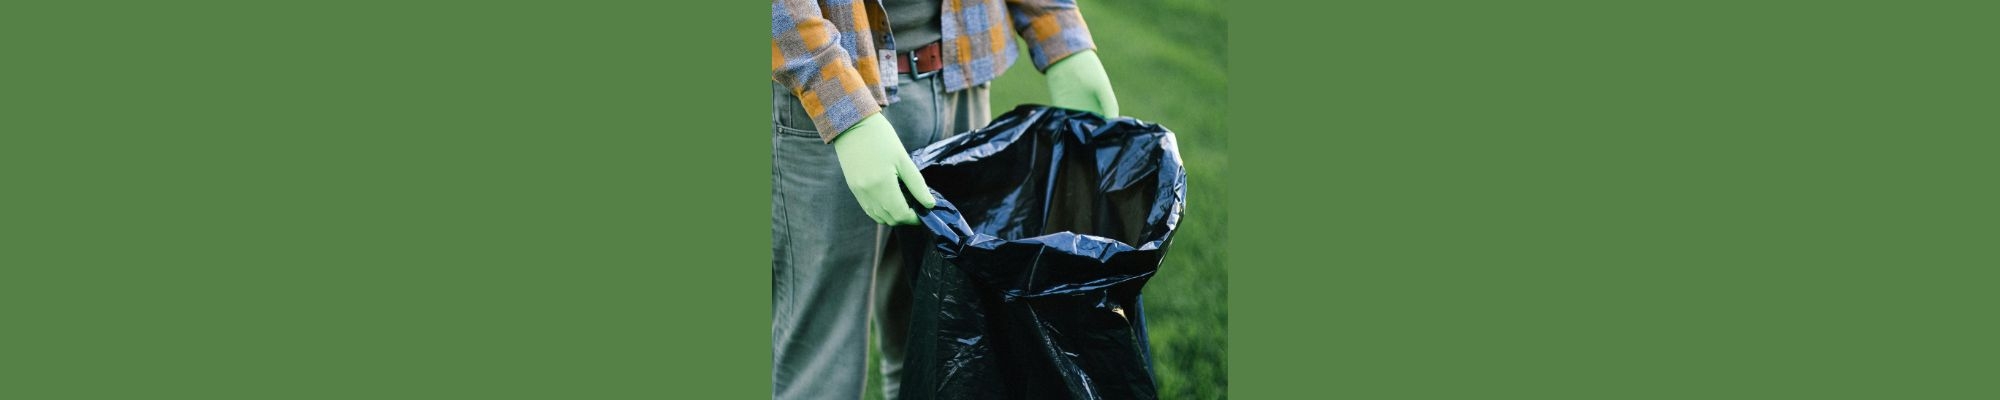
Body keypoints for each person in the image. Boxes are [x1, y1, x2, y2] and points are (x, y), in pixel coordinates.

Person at [771, 0, 1118, 398]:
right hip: (825, 109)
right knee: (821, 368)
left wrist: (1057, 27)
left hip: (960, 82)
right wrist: (835, 100)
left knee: (944, 357)